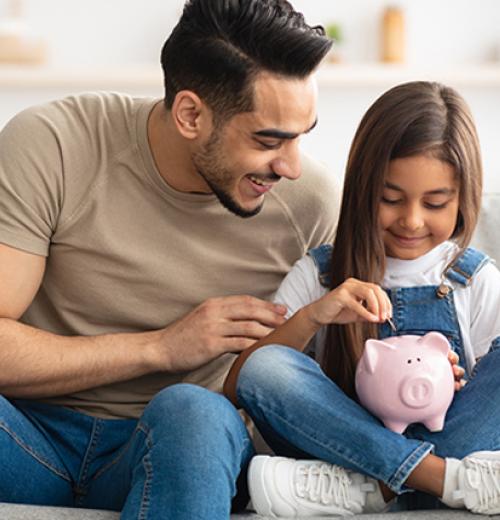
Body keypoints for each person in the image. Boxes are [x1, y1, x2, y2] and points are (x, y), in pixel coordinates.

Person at [0, 1, 339, 518]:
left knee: (194, 411)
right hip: (27, 437)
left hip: (177, 446)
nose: (291, 166)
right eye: (269, 141)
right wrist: (162, 348)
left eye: (302, 136)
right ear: (190, 114)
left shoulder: (312, 204)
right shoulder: (55, 145)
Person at [224, 81, 500, 517]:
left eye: (435, 203)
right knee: (267, 364)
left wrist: (457, 380)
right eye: (390, 199)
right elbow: (242, 382)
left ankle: (370, 490)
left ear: (462, 200)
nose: (411, 220)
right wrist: (315, 316)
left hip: (420, 445)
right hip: (342, 446)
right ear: (362, 189)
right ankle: (437, 481)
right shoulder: (320, 274)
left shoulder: (474, 280)